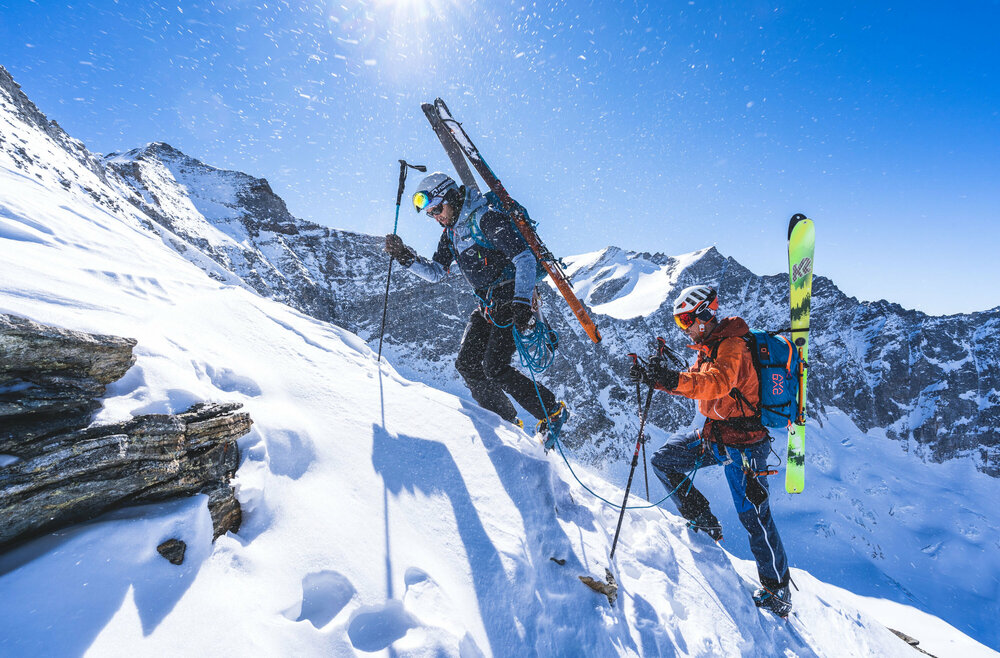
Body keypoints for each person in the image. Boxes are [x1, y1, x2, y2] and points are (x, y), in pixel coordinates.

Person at [629, 284, 793, 617]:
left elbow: (716, 383)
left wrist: (671, 379)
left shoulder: (731, 345)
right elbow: (695, 380)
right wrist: (657, 379)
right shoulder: (711, 347)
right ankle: (704, 522)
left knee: (754, 517)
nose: (684, 328)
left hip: (745, 448)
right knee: (665, 460)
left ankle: (778, 592)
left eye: (686, 319)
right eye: (679, 322)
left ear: (704, 315)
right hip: (716, 437)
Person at [384, 172, 568, 444]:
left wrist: (521, 303)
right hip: (488, 305)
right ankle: (507, 423)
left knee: (495, 367)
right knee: (467, 364)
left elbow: (524, 258)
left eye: (437, 209)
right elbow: (436, 272)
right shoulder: (451, 234)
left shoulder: (486, 219)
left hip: (511, 301)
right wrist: (405, 257)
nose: (435, 217)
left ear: (451, 198)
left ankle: (552, 412)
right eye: (430, 213)